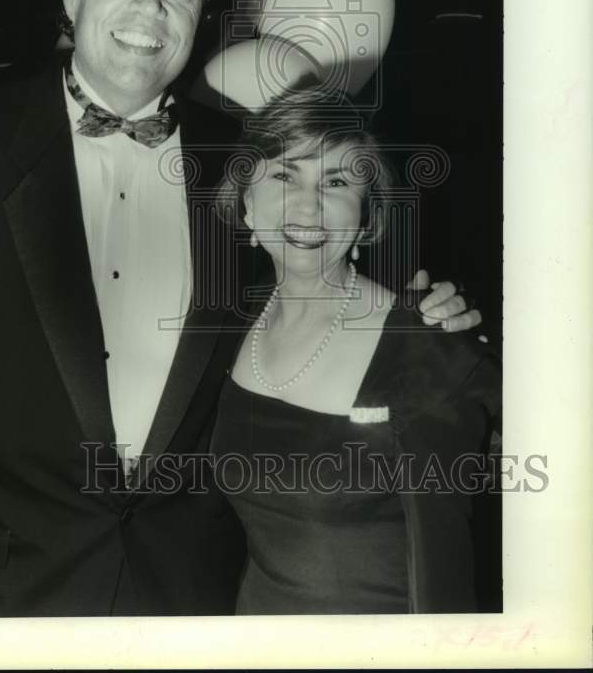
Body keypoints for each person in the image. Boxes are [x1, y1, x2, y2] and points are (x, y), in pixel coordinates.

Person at [0, 0, 477, 618]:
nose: (151, 12)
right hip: (4, 603)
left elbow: (313, 262)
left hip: (195, 604)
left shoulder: (239, 160)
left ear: (202, 12)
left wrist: (421, 315)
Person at [210, 86, 501, 614]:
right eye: (283, 175)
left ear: (365, 218)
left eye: (337, 181)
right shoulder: (230, 331)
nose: (307, 204)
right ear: (247, 203)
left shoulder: (426, 345)